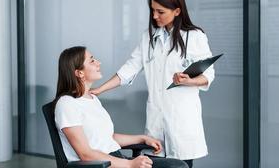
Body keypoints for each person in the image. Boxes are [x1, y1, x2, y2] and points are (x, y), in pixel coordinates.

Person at [90, 0, 215, 168]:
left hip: (182, 120)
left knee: (181, 164)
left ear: (177, 11)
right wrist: (100, 89)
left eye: (160, 11)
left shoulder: (194, 37)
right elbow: (129, 68)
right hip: (156, 120)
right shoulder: (148, 37)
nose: (155, 16)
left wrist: (190, 81)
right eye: (152, 10)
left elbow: (208, 74)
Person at [53, 46, 188, 168]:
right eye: (92, 61)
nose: (98, 63)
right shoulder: (66, 104)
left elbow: (106, 138)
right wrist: (129, 164)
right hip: (101, 165)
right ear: (79, 73)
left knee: (178, 165)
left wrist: (142, 138)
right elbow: (85, 154)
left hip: (116, 159)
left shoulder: (92, 99)